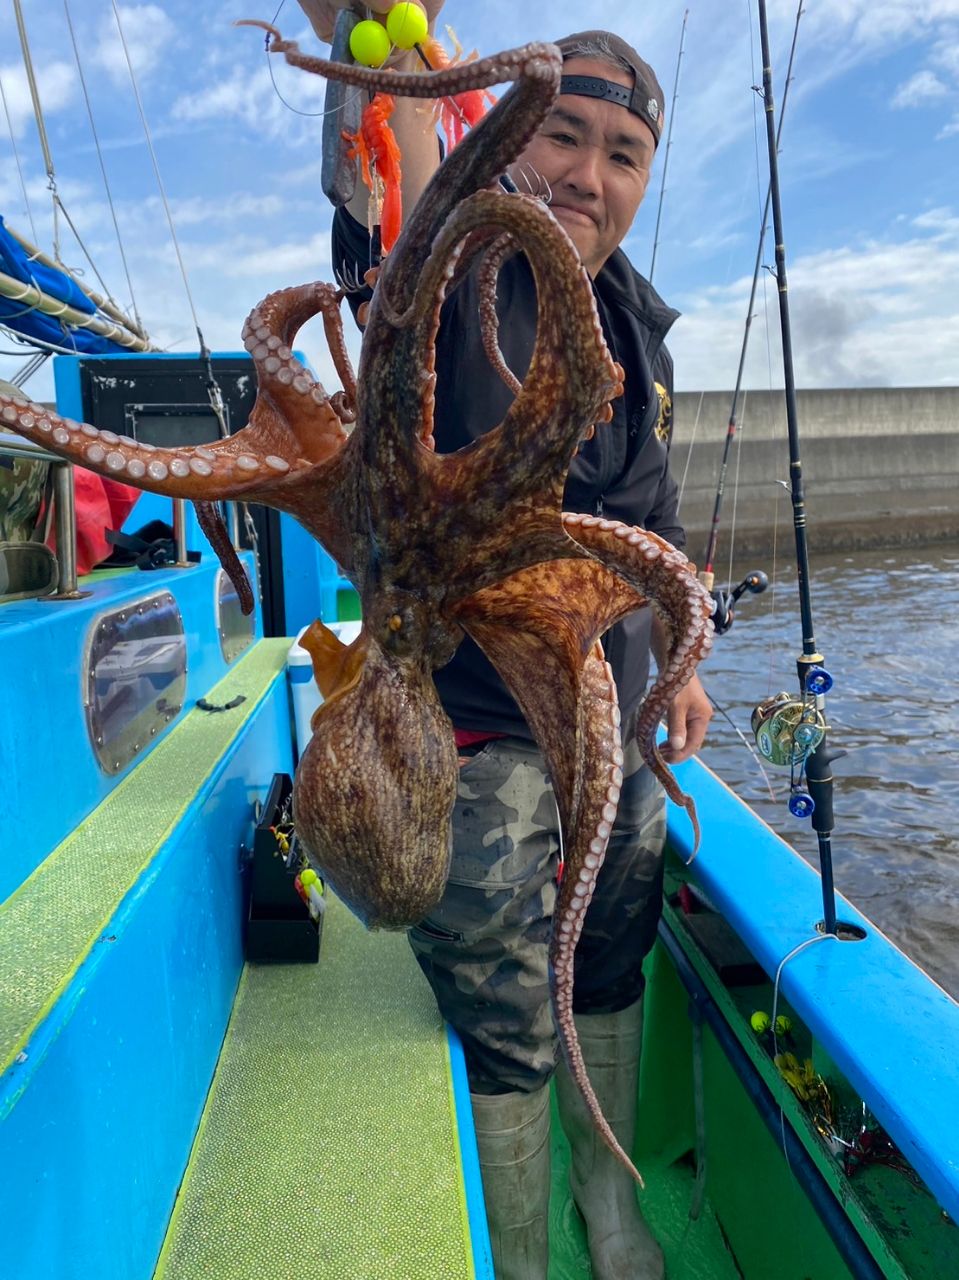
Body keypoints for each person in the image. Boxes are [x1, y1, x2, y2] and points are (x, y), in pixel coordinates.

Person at [299, 5, 713, 1277]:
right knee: (497, 1000)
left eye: (622, 153)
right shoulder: (460, 256)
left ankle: (613, 1204)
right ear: (517, 142)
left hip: (607, 719)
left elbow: (651, 528)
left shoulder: (632, 325)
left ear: (644, 176)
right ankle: (522, 1255)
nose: (587, 175)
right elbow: (416, 199)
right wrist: (381, 59)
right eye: (564, 137)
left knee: (610, 949)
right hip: (469, 732)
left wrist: (681, 659)